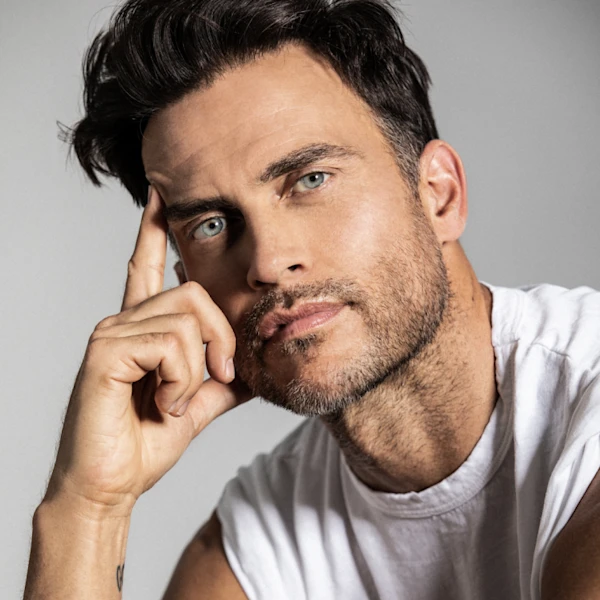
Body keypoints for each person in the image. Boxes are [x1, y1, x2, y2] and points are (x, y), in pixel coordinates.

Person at [22, 0, 600, 598]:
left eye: (309, 180)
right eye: (212, 225)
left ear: (439, 194)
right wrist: (89, 506)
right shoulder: (258, 541)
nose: (267, 263)